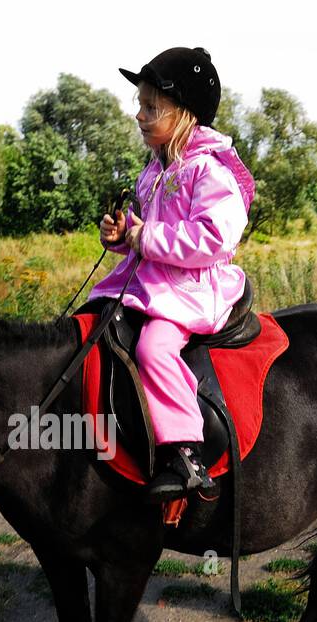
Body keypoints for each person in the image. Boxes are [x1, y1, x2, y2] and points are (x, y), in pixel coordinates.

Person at [94, 46, 255, 503]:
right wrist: (122, 232)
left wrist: (149, 239)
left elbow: (213, 238)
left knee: (153, 347)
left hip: (189, 290)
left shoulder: (210, 172)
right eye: (139, 107)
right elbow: (142, 223)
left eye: (151, 107)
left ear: (184, 114)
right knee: (96, 326)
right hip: (149, 283)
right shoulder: (153, 171)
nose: (140, 116)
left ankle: (185, 450)